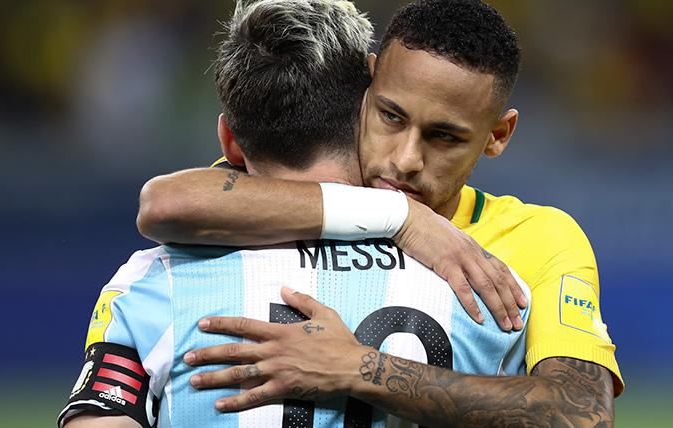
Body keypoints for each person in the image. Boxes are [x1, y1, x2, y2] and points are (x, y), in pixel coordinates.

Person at [138, 0, 625, 426]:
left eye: (444, 136)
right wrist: (400, 216)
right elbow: (168, 202)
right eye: (391, 116)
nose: (406, 159)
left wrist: (357, 368)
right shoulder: (298, 199)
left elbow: (582, 414)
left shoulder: (538, 238)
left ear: (497, 135)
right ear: (368, 86)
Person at [58, 1, 532, 427]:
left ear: (229, 143)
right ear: (364, 111)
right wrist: (402, 214)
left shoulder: (156, 283)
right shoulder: (488, 289)